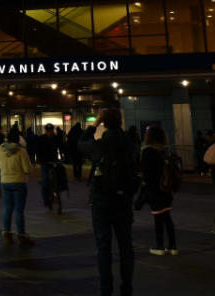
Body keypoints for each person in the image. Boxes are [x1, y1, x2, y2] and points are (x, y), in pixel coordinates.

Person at [80, 108, 139, 296]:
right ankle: (126, 287)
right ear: (120, 122)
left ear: (104, 123)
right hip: (123, 200)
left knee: (103, 247)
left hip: (101, 200)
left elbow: (79, 144)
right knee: (125, 246)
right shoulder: (130, 144)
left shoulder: (99, 146)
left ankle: (106, 289)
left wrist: (93, 125)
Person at [136, 125, 177, 256]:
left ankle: (160, 246)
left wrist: (143, 183)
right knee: (167, 217)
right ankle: (173, 246)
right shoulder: (163, 151)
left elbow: (146, 173)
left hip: (154, 189)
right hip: (165, 188)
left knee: (158, 218)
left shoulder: (147, 151)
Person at [0, 129, 33, 246]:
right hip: (19, 182)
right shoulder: (21, 151)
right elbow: (28, 169)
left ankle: (7, 234)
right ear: (18, 139)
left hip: (4, 181)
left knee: (7, 209)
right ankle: (21, 236)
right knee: (19, 210)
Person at [36, 124, 62, 209]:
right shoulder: (41, 139)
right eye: (48, 131)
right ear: (46, 131)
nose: (50, 132)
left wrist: (64, 156)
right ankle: (46, 199)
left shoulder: (56, 138)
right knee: (45, 181)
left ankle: (58, 193)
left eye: (51, 131)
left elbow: (62, 147)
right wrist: (39, 159)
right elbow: (38, 150)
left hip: (54, 161)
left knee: (60, 176)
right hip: (45, 162)